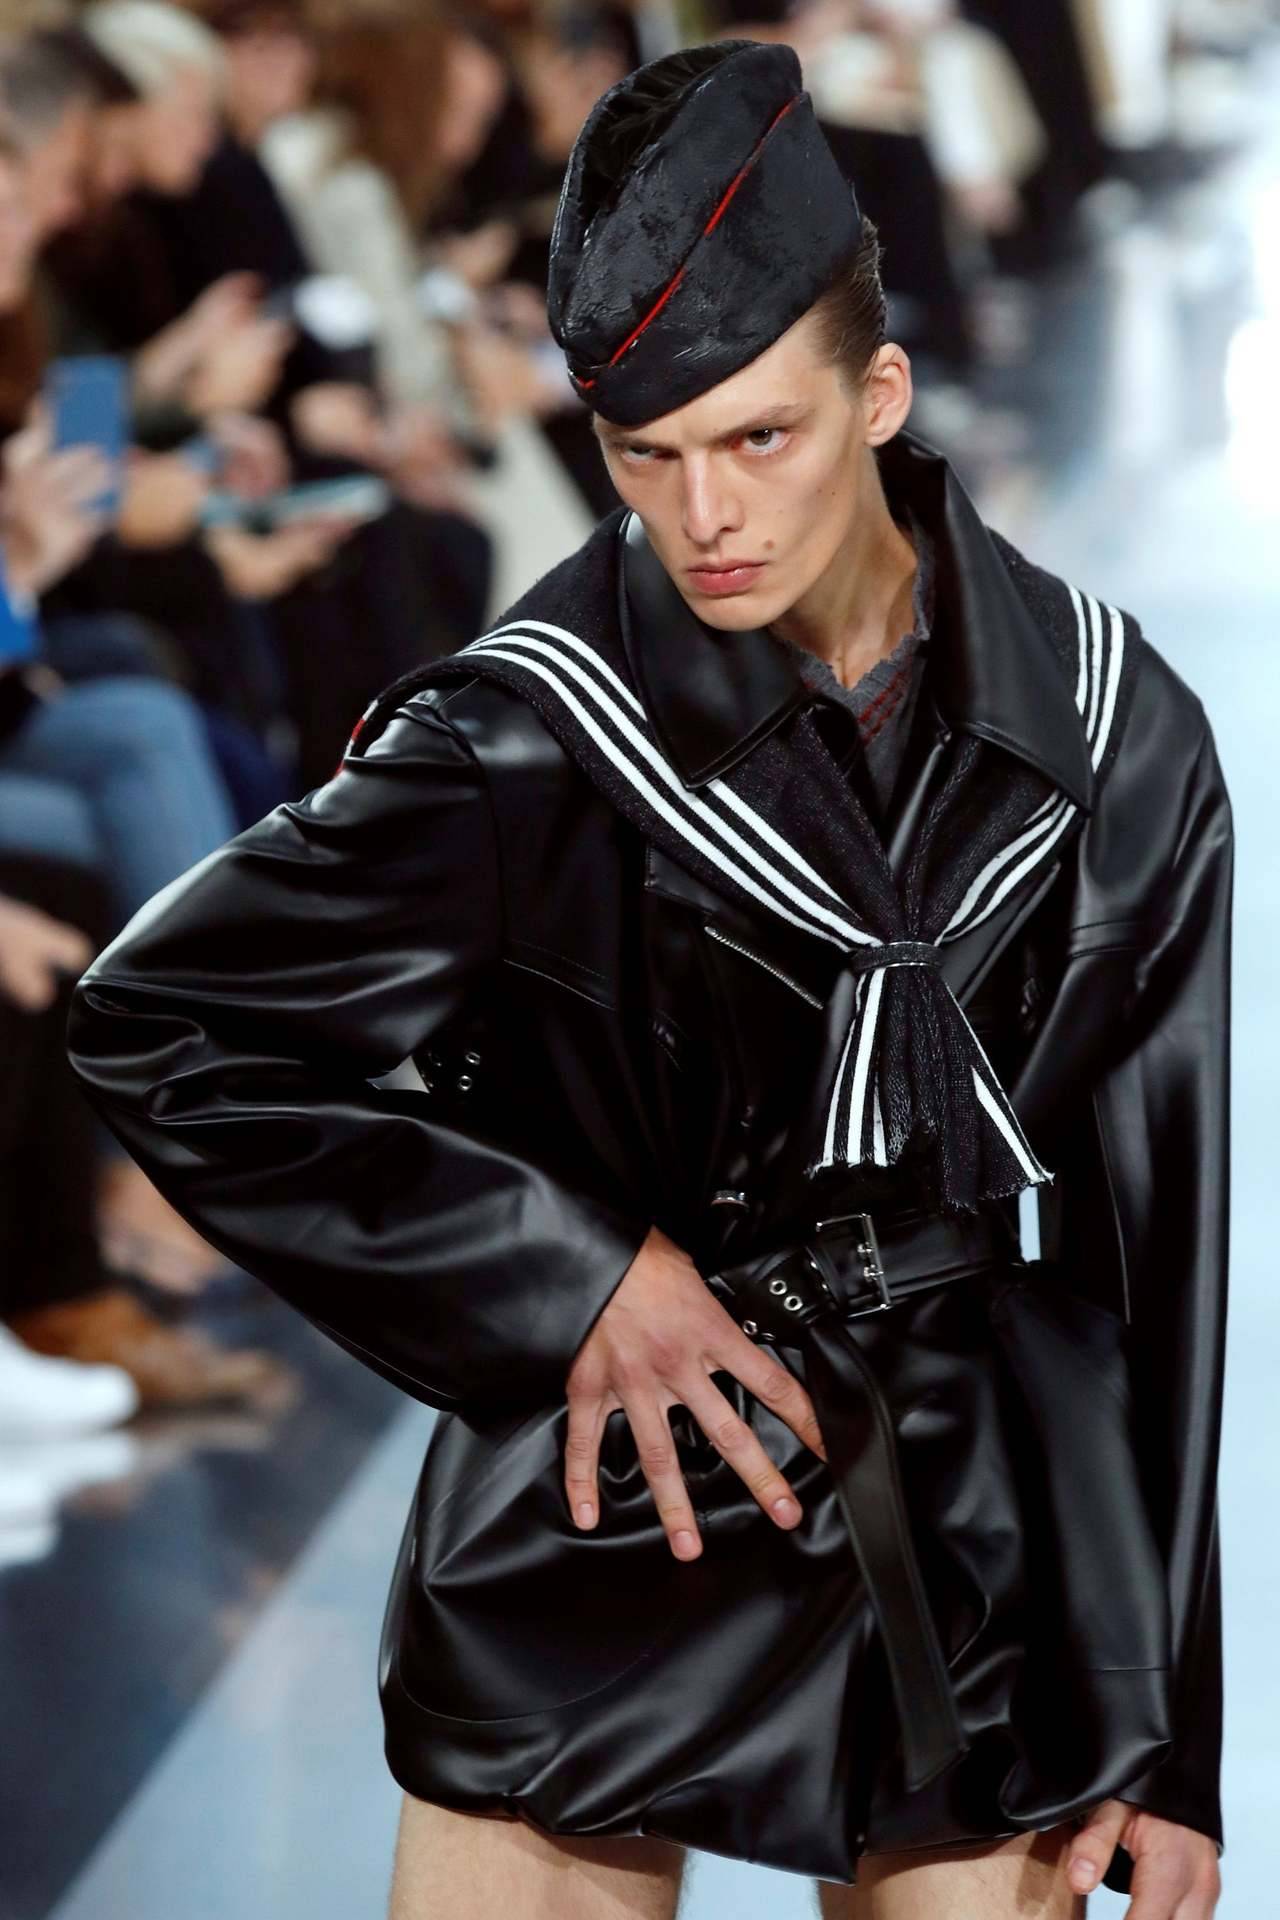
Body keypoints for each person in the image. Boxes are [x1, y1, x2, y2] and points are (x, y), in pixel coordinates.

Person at [66, 41, 1230, 1920]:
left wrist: (1171, 1737)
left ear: (879, 395)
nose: (706, 521)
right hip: (606, 1487)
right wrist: (575, 1272)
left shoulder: (1114, 733)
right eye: (644, 456)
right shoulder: (529, 736)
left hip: (963, 1505)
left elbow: (1148, 1247)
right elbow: (165, 1020)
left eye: (759, 440)